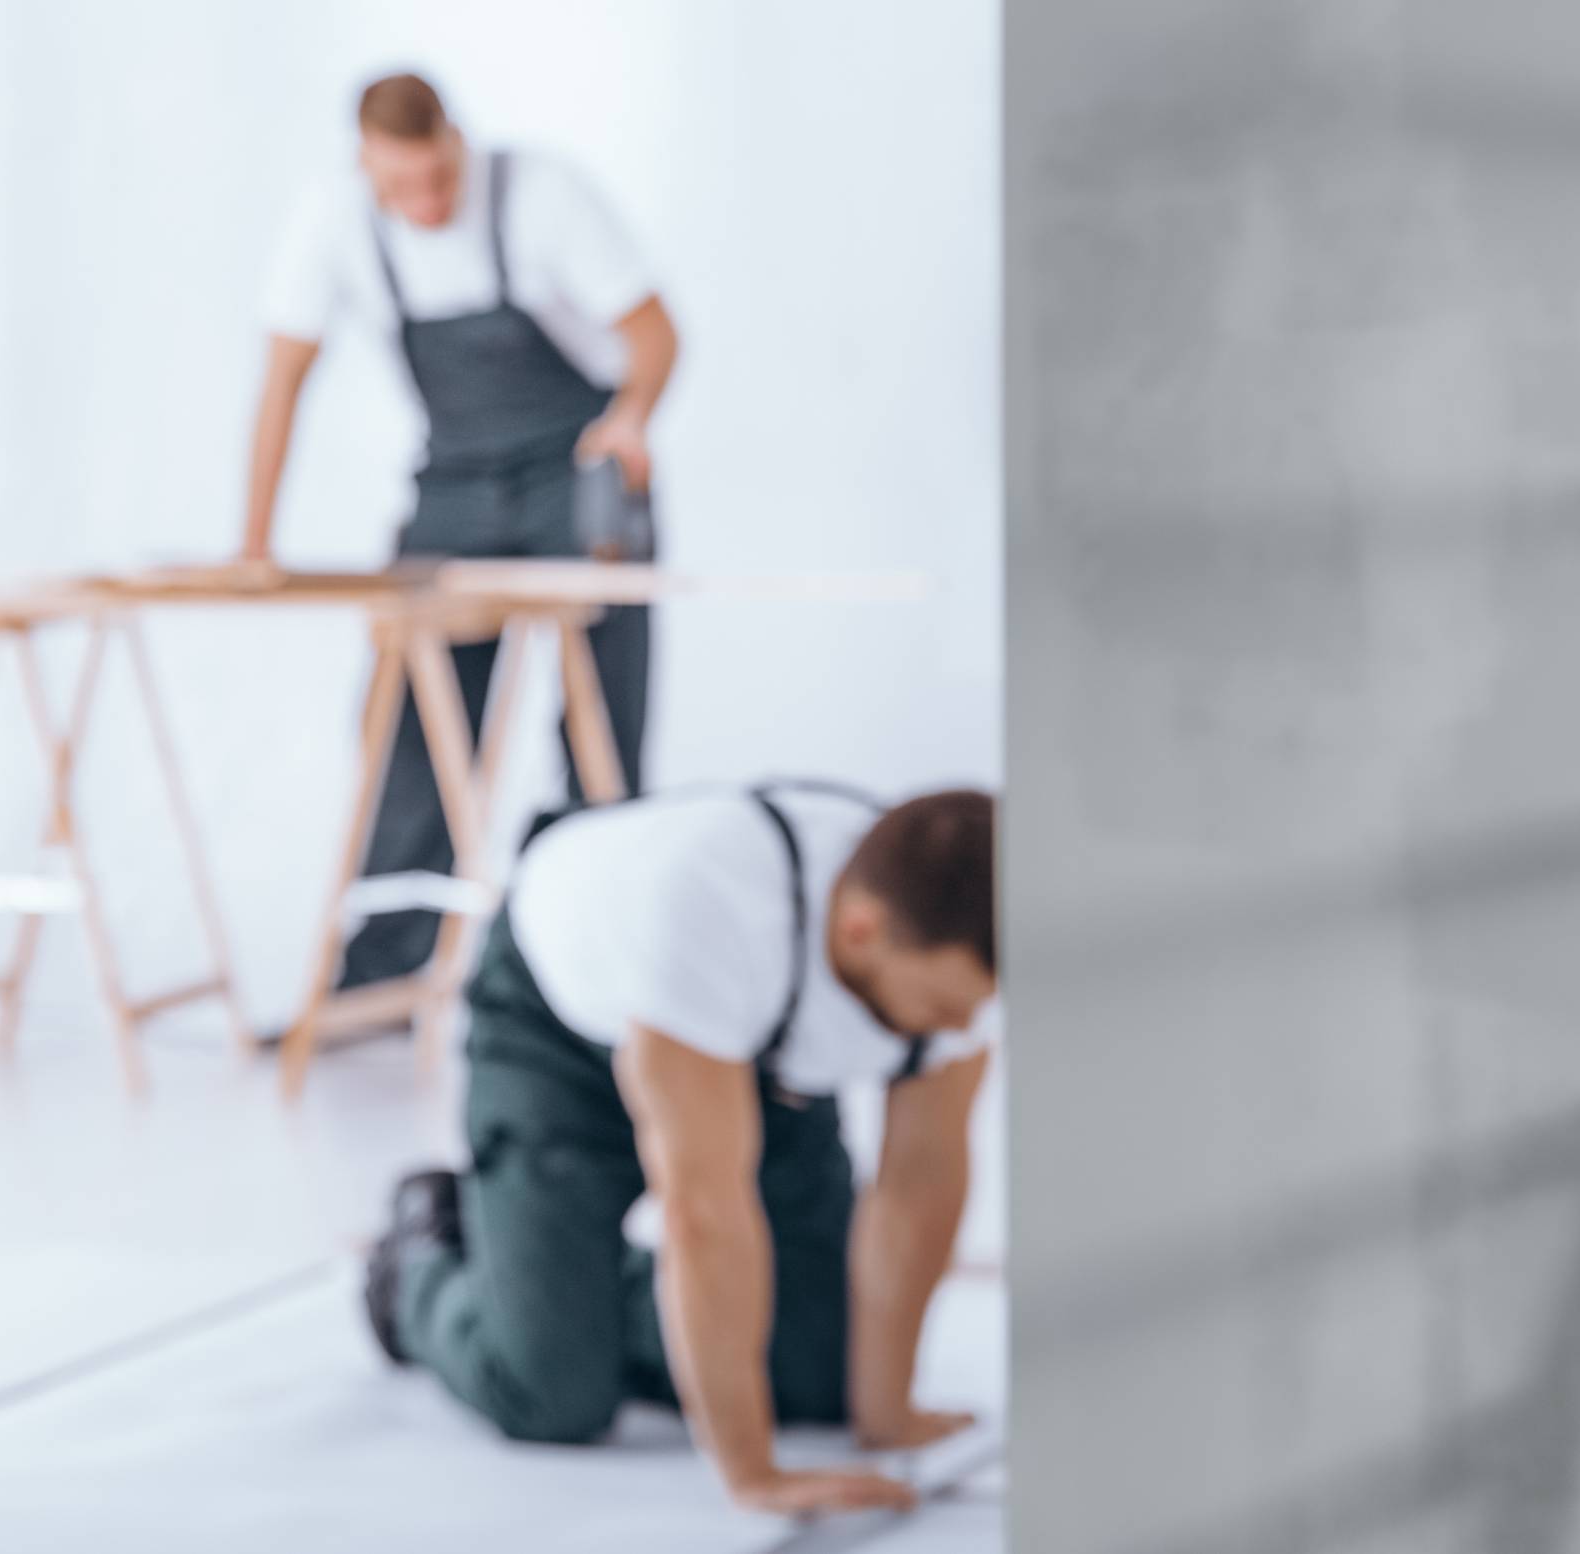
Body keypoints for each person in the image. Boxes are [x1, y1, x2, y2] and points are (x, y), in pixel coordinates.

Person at [364, 783, 997, 1519]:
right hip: (559, 1039)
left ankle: (576, 1290)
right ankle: (421, 1260)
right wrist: (753, 1474)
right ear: (861, 931)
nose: (962, 1026)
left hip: (754, 1059)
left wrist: (889, 1420)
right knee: (551, 1388)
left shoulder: (958, 949)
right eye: (944, 1007)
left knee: (822, 1369)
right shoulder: (711, 913)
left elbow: (920, 1184)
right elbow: (704, 1215)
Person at [245, 71, 680, 1002]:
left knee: (603, 723)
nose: (427, 204)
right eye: (402, 189)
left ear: (458, 140)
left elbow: (654, 333)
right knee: (408, 714)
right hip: (455, 484)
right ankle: (376, 981)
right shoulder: (334, 222)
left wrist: (631, 415)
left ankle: (596, 979)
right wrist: (255, 543)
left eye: (440, 179)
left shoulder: (541, 194)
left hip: (578, 468)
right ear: (364, 167)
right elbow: (284, 379)